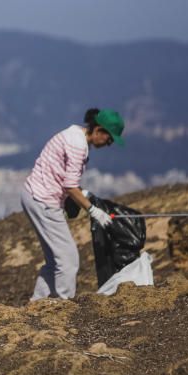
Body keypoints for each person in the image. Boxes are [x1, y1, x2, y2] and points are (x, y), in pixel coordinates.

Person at [22, 108, 125, 300]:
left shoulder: (74, 133)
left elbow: (63, 177)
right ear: (99, 130)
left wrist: (82, 194)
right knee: (69, 260)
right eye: (109, 139)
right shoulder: (78, 146)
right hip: (43, 200)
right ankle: (63, 306)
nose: (109, 144)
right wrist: (94, 211)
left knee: (55, 261)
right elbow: (70, 186)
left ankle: (37, 304)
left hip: (33, 195)